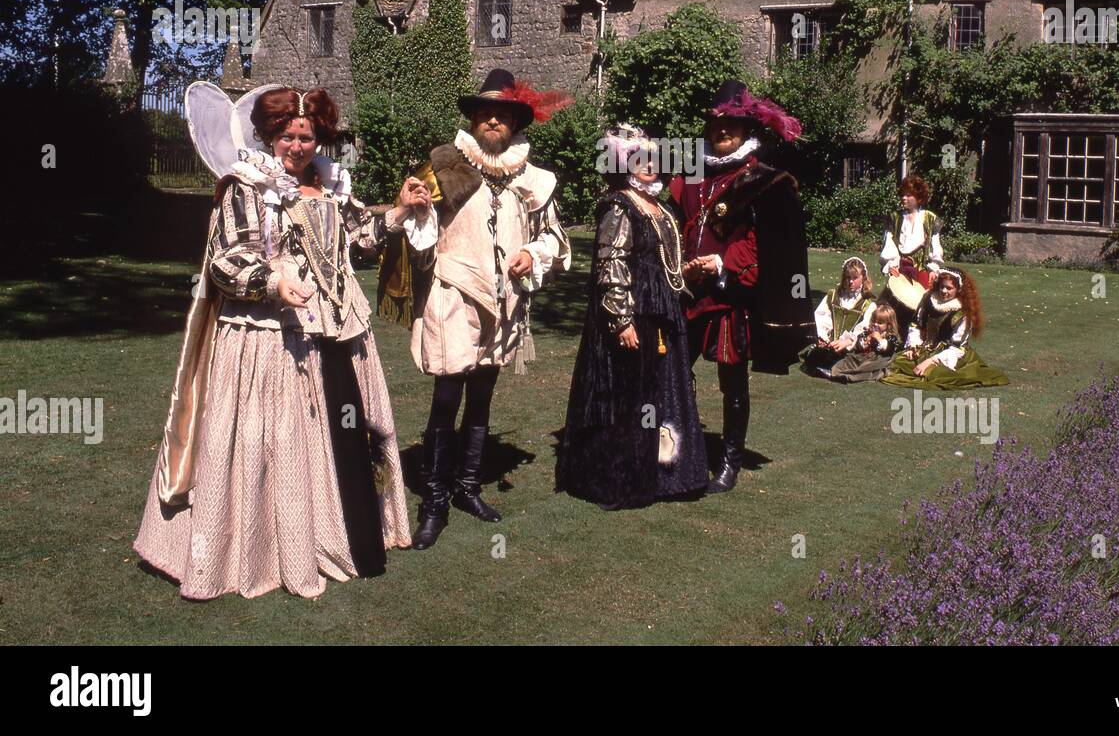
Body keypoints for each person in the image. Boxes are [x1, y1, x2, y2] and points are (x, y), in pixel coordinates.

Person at [134, 85, 414, 599]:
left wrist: (397, 210)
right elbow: (223, 260)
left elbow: (360, 238)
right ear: (267, 136)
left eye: (306, 137)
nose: (297, 146)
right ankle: (263, 546)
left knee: (342, 428)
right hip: (272, 336)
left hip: (337, 329)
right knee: (273, 440)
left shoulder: (330, 186)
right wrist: (271, 282)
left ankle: (340, 532)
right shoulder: (246, 187)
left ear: (320, 138)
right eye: (286, 136)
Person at [395, 68, 571, 549]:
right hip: (453, 297)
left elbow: (553, 240)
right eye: (485, 114)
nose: (493, 121)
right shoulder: (445, 167)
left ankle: (468, 489)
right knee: (446, 399)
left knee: (482, 398)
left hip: (505, 303)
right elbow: (417, 233)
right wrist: (412, 208)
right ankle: (433, 502)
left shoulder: (533, 179)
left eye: (504, 115)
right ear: (473, 120)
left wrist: (531, 254)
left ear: (516, 124)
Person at [668, 80, 815, 493]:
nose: (721, 132)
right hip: (687, 292)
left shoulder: (761, 179)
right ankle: (678, 447)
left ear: (746, 130)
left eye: (730, 125)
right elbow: (676, 226)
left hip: (730, 296)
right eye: (716, 126)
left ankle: (729, 462)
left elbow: (762, 246)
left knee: (732, 380)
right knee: (674, 369)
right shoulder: (690, 176)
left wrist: (718, 263)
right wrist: (680, 263)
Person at [556, 125, 708, 509]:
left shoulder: (660, 208)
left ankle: (667, 475)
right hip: (634, 315)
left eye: (656, 160)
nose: (651, 167)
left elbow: (664, 267)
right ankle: (627, 477)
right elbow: (611, 265)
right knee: (633, 397)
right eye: (641, 160)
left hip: (662, 314)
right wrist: (621, 319)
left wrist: (689, 273)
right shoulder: (618, 205)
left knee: (663, 394)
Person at [880, 266, 1008, 390]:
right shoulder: (928, 299)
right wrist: (913, 346)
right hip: (924, 348)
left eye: (949, 288)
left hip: (949, 354)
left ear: (959, 289)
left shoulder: (962, 312)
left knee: (935, 374)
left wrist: (931, 361)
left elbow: (957, 346)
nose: (944, 291)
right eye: (942, 286)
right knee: (898, 363)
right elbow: (916, 325)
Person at [879, 174, 945, 332]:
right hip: (899, 269)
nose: (904, 198)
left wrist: (934, 268)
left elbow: (934, 245)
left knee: (920, 306)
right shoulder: (895, 218)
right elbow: (889, 243)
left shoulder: (929, 218)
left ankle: (917, 339)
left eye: (909, 195)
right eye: (902, 194)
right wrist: (890, 265)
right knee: (892, 305)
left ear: (919, 197)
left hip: (921, 270)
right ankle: (893, 336)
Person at [799, 257, 875, 380]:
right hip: (831, 344)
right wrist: (822, 337)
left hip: (852, 347)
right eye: (847, 278)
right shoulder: (833, 295)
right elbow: (821, 317)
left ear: (863, 278)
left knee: (854, 362)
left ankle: (837, 370)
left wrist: (847, 342)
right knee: (816, 358)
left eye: (855, 278)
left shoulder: (868, 303)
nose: (850, 282)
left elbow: (863, 329)